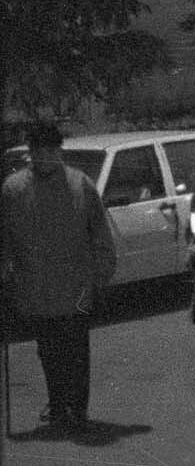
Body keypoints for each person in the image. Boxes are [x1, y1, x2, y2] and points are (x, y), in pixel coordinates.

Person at [1, 122, 116, 433]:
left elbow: (100, 233)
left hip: (76, 286)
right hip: (36, 287)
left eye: (52, 151)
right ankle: (58, 405)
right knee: (49, 351)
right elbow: (6, 238)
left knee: (77, 350)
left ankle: (77, 409)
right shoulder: (13, 189)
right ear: (31, 153)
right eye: (40, 151)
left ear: (59, 152)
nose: (46, 157)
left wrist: (102, 273)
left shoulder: (80, 185)